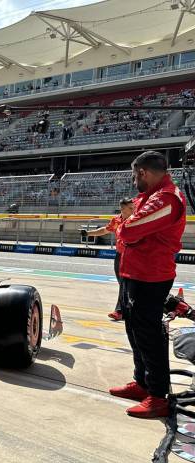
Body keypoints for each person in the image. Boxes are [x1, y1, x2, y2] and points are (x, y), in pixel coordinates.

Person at [109, 151, 186, 419]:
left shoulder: (166, 199)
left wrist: (126, 229)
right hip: (135, 274)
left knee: (149, 336)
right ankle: (142, 382)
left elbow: (127, 230)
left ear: (143, 172)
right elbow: (129, 228)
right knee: (135, 330)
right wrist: (128, 228)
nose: (133, 182)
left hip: (151, 276)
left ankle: (157, 395)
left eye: (134, 176)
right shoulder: (148, 198)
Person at [84, 198, 135, 321]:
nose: (134, 209)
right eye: (131, 208)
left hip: (132, 255)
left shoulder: (136, 219)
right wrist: (88, 233)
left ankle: (119, 311)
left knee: (124, 284)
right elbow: (104, 230)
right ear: (123, 209)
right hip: (119, 255)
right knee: (122, 284)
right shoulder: (116, 220)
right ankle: (130, 308)